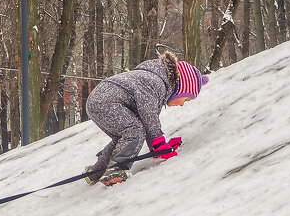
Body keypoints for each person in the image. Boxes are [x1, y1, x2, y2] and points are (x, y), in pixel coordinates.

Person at [83, 49, 208, 187]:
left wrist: (158, 147)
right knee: (134, 131)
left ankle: (96, 171)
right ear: (180, 89)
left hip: (101, 100)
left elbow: (147, 121)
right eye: (186, 99)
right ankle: (116, 169)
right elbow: (148, 114)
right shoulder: (156, 82)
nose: (182, 104)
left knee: (125, 137)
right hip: (106, 101)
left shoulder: (156, 81)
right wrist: (159, 143)